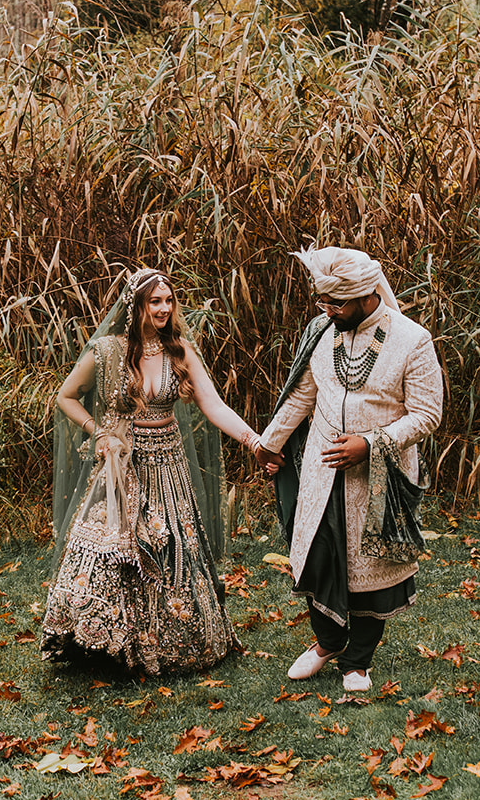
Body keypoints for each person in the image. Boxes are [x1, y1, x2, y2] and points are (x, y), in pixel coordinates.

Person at [42, 267, 264, 675]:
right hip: (121, 465)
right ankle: (99, 640)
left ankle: (172, 641)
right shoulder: (107, 351)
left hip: (168, 467)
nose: (163, 309)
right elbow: (66, 397)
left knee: (171, 549)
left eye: (168, 301)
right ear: (137, 305)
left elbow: (213, 406)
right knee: (111, 549)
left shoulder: (178, 351)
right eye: (154, 301)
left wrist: (254, 441)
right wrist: (99, 432)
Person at [255, 247, 444, 693]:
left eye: (336, 303)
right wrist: (270, 443)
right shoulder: (323, 331)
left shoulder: (412, 340)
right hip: (322, 471)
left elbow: (427, 414)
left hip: (380, 480)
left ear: (366, 295)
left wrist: (371, 444)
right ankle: (326, 642)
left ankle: (357, 661)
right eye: (322, 302)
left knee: (371, 573)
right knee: (318, 557)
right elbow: (304, 394)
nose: (326, 311)